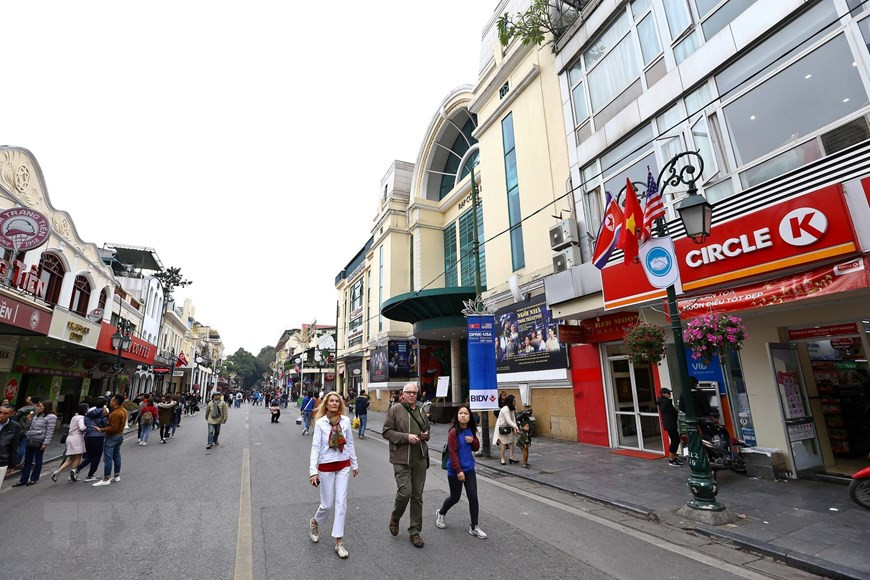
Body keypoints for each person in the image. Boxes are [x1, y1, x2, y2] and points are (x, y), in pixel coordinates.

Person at [308, 392, 359, 559]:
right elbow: (316, 447)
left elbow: (350, 443)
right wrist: (313, 471)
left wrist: (354, 464)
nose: (335, 403)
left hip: (343, 465)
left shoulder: (345, 420)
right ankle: (315, 522)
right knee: (327, 504)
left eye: (337, 401)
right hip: (326, 466)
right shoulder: (320, 423)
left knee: (341, 503)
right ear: (326, 403)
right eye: (332, 401)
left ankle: (339, 542)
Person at [382, 382, 430, 549]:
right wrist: (406, 437)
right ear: (402, 394)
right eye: (408, 392)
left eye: (414, 393)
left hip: (419, 458)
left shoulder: (421, 410)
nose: (411, 395)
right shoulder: (395, 409)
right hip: (401, 458)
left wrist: (425, 435)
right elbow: (386, 431)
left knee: (417, 496)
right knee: (405, 492)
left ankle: (415, 531)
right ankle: (395, 516)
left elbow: (427, 431)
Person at [435, 404, 486, 539]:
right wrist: (458, 471)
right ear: (457, 416)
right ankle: (441, 512)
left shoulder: (470, 430)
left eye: (466, 413)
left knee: (473, 497)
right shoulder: (453, 432)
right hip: (455, 470)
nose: (463, 415)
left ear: (469, 417)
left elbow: (476, 448)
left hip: (469, 469)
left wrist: (473, 440)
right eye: (460, 413)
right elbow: (452, 453)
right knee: (455, 497)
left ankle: (474, 527)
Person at [14, 400, 57, 487]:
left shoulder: (51, 417)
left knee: (38, 460)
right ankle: (23, 479)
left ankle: (34, 478)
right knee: (27, 460)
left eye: (41, 406)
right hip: (30, 439)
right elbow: (29, 427)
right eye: (38, 406)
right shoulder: (36, 416)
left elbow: (50, 431)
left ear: (46, 408)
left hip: (40, 440)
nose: (38, 408)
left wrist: (46, 442)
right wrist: (29, 420)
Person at [93, 394, 127, 487]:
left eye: (112, 400)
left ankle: (106, 478)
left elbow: (113, 428)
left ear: (115, 402)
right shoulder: (123, 411)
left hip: (112, 437)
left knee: (108, 457)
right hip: (119, 436)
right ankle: (116, 475)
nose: (110, 402)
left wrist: (101, 429)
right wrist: (108, 415)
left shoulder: (116, 413)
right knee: (116, 456)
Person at [51, 402, 88, 482]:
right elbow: (82, 428)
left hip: (70, 438)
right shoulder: (81, 418)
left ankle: (57, 472)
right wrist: (88, 427)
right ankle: (73, 473)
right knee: (78, 457)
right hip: (77, 438)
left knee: (71, 458)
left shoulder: (74, 417)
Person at [75, 398, 108, 481]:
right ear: (104, 405)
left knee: (89, 456)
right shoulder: (103, 414)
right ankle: (90, 475)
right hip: (98, 436)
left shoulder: (89, 413)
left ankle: (76, 469)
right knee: (96, 456)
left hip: (88, 436)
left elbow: (85, 423)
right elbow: (105, 424)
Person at [657, 387, 684, 467]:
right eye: (668, 393)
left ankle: (674, 457)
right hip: (670, 424)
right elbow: (673, 412)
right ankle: (671, 459)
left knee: (675, 440)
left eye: (669, 392)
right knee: (675, 440)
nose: (670, 394)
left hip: (669, 423)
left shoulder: (663, 401)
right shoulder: (665, 402)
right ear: (663, 394)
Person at [0, 403, 23, 491]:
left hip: (2, 461)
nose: (1, 415)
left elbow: (14, 446)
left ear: (11, 414)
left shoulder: (15, 426)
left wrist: (11, 464)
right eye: (0, 412)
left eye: (5, 413)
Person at [13, 396, 39, 466]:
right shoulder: (35, 410)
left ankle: (13, 461)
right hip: (27, 430)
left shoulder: (28, 409)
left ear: (31, 401)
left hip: (20, 428)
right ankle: (17, 461)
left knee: (15, 445)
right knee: (22, 446)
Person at [494, 394, 519, 465]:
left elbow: (513, 419)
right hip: (502, 428)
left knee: (511, 441)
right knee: (503, 443)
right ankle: (502, 458)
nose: (515, 402)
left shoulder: (512, 409)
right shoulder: (505, 409)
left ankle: (511, 457)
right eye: (514, 400)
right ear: (511, 401)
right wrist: (515, 427)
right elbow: (508, 420)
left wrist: (515, 427)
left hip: (509, 427)